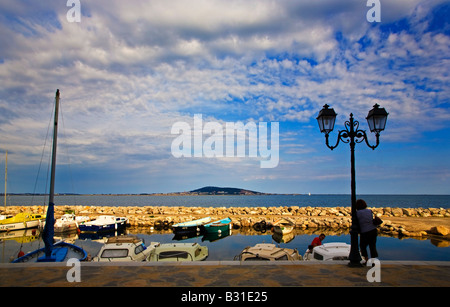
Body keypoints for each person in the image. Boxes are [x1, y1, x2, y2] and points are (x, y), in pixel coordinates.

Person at [356, 199, 378, 264]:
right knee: (372, 246)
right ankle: (373, 261)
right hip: (373, 230)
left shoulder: (357, 213)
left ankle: (366, 259)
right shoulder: (369, 211)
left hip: (364, 231)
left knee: (362, 246)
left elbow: (356, 222)